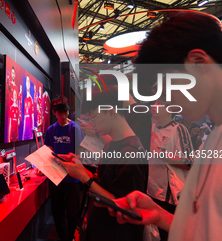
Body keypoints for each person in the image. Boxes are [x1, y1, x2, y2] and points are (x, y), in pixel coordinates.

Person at [102, 12, 222, 241]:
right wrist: (158, 214)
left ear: (198, 63)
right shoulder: (217, 134)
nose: (165, 102)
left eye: (165, 87)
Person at [59, 86, 148, 241]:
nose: (91, 124)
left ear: (112, 111)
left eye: (93, 118)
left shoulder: (132, 153)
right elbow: (106, 182)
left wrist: (85, 178)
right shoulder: (111, 144)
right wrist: (81, 168)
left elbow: (123, 206)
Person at [148, 99, 194, 241]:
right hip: (150, 191)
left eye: (158, 104)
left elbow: (188, 162)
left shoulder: (178, 129)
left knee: (169, 234)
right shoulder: (150, 128)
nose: (153, 106)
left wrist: (160, 153)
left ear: (169, 109)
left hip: (168, 196)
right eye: (154, 103)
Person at [44, 96, 84, 241]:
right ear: (55, 113)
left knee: (72, 211)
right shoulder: (51, 130)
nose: (62, 116)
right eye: (58, 113)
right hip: (56, 176)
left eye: (64, 113)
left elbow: (81, 153)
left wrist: (69, 158)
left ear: (68, 113)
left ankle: (71, 235)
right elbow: (48, 148)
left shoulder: (76, 129)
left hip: (72, 176)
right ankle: (63, 237)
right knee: (57, 210)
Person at [22, 75, 34, 140]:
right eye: (26, 82)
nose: (27, 84)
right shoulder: (24, 98)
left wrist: (32, 129)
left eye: (28, 82)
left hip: (29, 127)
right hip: (25, 126)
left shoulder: (31, 99)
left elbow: (32, 115)